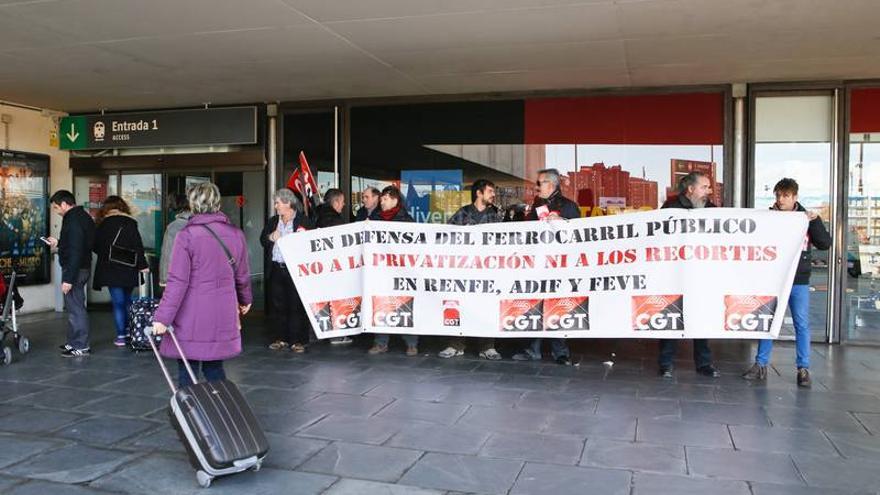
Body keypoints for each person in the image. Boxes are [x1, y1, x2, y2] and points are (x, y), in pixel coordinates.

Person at [151, 182, 252, 387]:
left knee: (188, 367)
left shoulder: (187, 236)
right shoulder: (236, 234)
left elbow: (178, 281)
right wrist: (245, 300)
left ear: (192, 204)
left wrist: (162, 318)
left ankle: (191, 413)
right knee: (214, 367)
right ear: (217, 203)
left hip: (192, 313)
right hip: (223, 310)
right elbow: (242, 275)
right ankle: (223, 408)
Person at [742, 178, 831, 387]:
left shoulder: (805, 218)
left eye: (786, 196)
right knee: (768, 320)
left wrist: (815, 221)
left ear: (795, 197)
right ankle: (761, 364)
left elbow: (824, 243)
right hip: (774, 278)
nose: (781, 200)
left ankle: (803, 368)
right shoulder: (770, 217)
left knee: (801, 323)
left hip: (798, 279)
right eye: (779, 195)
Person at [512, 169, 579, 366]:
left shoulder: (568, 207)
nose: (536, 187)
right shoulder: (536, 206)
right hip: (538, 265)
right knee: (535, 306)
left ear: (551, 184)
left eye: (539, 183)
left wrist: (564, 223)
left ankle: (560, 352)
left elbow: (580, 236)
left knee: (556, 306)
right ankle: (533, 350)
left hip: (559, 267)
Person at [657, 171, 721, 378]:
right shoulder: (670, 207)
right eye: (704, 186)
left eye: (709, 187)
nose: (708, 190)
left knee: (701, 317)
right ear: (691, 189)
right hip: (674, 273)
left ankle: (704, 363)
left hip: (701, 274)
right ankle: (666, 363)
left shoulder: (711, 210)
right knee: (672, 317)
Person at [438, 179, 503, 361]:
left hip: (486, 271)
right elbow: (445, 237)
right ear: (479, 193)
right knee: (460, 304)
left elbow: (502, 242)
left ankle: (487, 347)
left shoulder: (495, 216)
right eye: (490, 191)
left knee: (487, 306)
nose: (493, 194)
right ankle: (456, 345)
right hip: (464, 269)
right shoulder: (463, 213)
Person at [91, 196, 149, 347]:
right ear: (122, 207)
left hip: (110, 268)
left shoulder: (102, 224)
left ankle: (121, 336)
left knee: (118, 303)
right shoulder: (130, 222)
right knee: (128, 300)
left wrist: (108, 253)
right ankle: (131, 330)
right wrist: (142, 265)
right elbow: (138, 245)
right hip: (128, 266)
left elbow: (95, 246)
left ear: (106, 208)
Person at [368, 185, 419, 356]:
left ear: (395, 200)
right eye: (381, 199)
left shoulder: (406, 220)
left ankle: (411, 342)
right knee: (381, 302)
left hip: (402, 270)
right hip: (381, 270)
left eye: (385, 199)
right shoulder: (375, 219)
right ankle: (381, 342)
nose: (381, 202)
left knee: (404, 302)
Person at [261, 189, 312, 353]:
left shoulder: (303, 221)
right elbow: (263, 239)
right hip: (277, 268)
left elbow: (311, 244)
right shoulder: (273, 221)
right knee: (278, 305)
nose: (276, 206)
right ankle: (280, 338)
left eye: (278, 203)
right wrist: (270, 238)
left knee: (296, 305)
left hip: (295, 270)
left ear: (288, 203)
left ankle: (298, 341)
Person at [46, 190, 95, 357]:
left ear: (65, 204)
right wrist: (59, 243)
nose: (56, 210)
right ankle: (73, 342)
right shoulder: (82, 216)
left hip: (76, 270)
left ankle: (81, 345)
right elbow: (79, 244)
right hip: (82, 267)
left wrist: (68, 279)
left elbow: (76, 250)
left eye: (56, 207)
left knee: (76, 309)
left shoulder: (73, 221)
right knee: (75, 307)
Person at [316, 188, 352, 345]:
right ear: (336, 202)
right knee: (336, 300)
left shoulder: (315, 215)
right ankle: (337, 334)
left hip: (319, 268)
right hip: (333, 267)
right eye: (342, 201)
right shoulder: (335, 220)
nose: (343, 205)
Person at [159, 192, 192, 287]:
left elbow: (168, 255)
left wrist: (164, 280)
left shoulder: (174, 227)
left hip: (180, 278)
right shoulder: (207, 225)